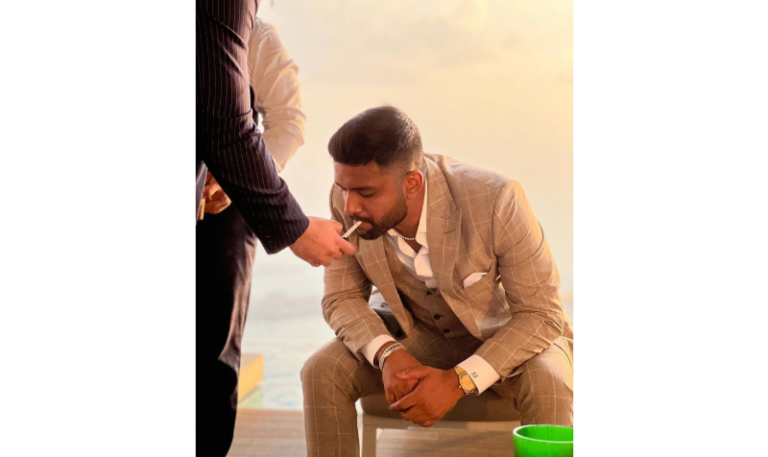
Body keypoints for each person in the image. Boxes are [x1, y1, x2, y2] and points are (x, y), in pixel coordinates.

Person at [301, 107, 575, 456]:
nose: (351, 205)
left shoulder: (496, 198)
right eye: (343, 189)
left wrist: (458, 381)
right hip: (415, 332)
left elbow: (541, 313)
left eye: (366, 193)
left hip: (505, 333)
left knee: (551, 383)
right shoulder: (349, 198)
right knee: (321, 370)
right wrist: (388, 353)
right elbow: (341, 297)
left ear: (412, 183)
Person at [193, 2, 354, 455]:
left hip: (231, 209)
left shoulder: (258, 38)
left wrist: (231, 182)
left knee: (216, 343)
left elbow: (288, 121)